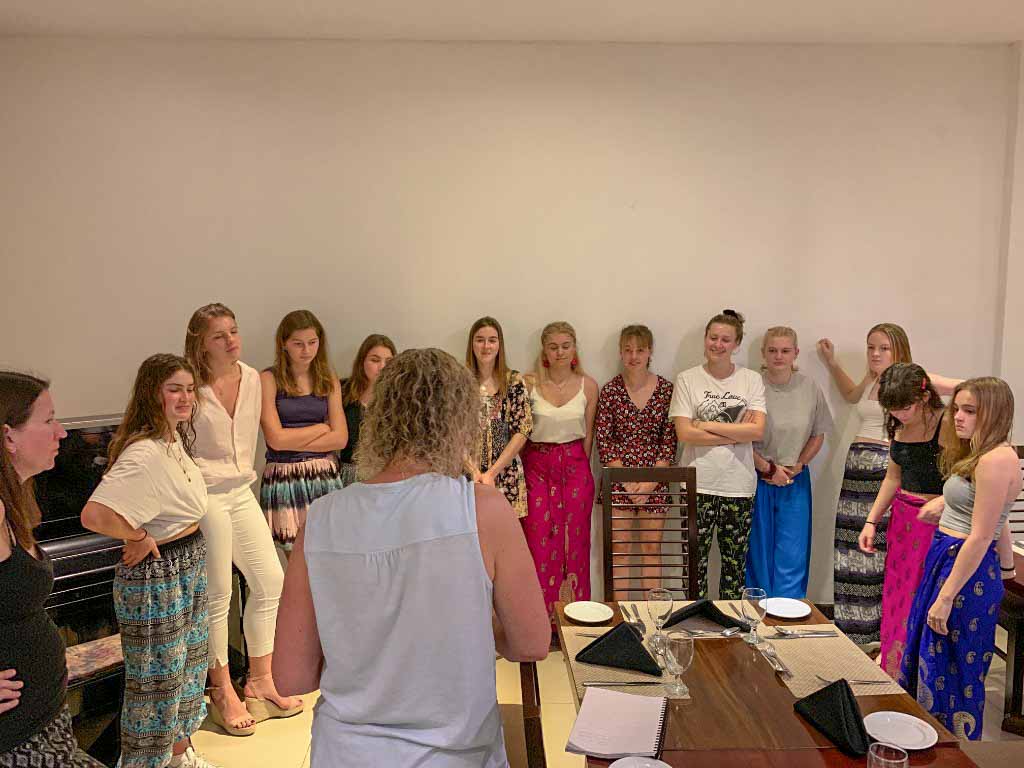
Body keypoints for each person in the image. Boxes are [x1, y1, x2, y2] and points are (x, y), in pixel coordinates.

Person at [272, 348, 549, 767]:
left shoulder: (323, 517)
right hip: (456, 756)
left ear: (378, 419)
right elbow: (531, 642)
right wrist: (475, 623)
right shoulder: (481, 509)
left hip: (345, 754)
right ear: (461, 422)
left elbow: (291, 676)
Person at [80, 355, 217, 768]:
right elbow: (94, 515)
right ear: (152, 393)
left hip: (187, 561)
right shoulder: (143, 452)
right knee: (158, 684)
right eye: (174, 389)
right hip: (158, 575)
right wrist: (139, 536)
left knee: (188, 670)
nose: (185, 397)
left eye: (189, 389)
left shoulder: (172, 440)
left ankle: (178, 756)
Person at [184, 304, 301, 737]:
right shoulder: (189, 387)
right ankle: (220, 689)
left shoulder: (252, 378)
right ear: (201, 343)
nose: (231, 340)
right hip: (204, 494)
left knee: (271, 581)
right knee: (218, 594)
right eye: (219, 335)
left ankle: (260, 679)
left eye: (233, 331)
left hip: (240, 490)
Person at [818, 323, 958, 645]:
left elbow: (970, 390)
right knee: (858, 550)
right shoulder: (876, 383)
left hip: (898, 478)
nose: (875, 353)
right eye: (871, 347)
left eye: (884, 348)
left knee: (890, 560)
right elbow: (851, 395)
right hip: (862, 475)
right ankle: (857, 630)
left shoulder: (916, 387)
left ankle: (888, 637)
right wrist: (832, 363)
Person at [898, 377, 1021, 740]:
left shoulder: (995, 459)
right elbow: (997, 518)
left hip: (964, 570)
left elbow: (982, 534)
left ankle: (950, 752)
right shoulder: (983, 453)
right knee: (931, 658)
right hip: (952, 558)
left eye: (970, 410)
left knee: (949, 668)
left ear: (994, 413)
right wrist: (1007, 566)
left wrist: (946, 596)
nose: (958, 417)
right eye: (957, 409)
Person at [0, 372, 102, 767]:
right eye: (48, 420)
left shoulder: (17, 500)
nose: (61, 432)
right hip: (17, 742)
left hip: (44, 724)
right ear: (8, 437)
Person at [669, 310, 766, 600]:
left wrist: (704, 424)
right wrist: (737, 432)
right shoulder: (687, 379)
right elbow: (684, 433)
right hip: (696, 483)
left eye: (726, 340)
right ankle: (694, 620)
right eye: (713, 338)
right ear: (705, 339)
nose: (718, 344)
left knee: (734, 567)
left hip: (738, 486)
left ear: (736, 344)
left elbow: (757, 431)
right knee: (693, 566)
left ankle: (729, 622)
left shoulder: (751, 380)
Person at [858, 363, 946, 677]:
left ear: (924, 396)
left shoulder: (946, 422)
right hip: (903, 518)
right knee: (897, 590)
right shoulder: (897, 423)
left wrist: (945, 502)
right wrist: (871, 521)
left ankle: (917, 668)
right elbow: (893, 477)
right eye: (892, 410)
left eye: (905, 408)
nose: (899, 415)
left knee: (922, 592)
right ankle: (893, 659)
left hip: (936, 520)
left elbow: (965, 476)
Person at [745, 327, 832, 599]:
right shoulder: (750, 386)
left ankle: (787, 610)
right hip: (757, 477)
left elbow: (818, 433)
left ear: (795, 353)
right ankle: (757, 611)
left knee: (792, 552)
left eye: (785, 351)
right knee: (757, 552)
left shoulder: (809, 388)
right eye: (772, 350)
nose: (778, 356)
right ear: (764, 353)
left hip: (794, 478)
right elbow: (740, 437)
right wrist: (766, 468)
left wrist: (800, 464)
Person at [521, 322, 598, 620]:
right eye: (553, 347)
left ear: (574, 348)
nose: (560, 352)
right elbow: (521, 433)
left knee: (575, 546)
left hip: (575, 468)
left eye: (566, 346)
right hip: (536, 469)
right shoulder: (528, 384)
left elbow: (588, 437)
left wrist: (582, 472)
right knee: (538, 544)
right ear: (544, 351)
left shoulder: (588, 386)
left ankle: (574, 618)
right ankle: (541, 622)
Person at [594, 325, 677, 597]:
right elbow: (604, 440)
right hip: (618, 480)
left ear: (650, 352)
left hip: (656, 479)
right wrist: (628, 484)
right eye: (628, 350)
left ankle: (652, 614)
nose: (633, 356)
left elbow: (669, 440)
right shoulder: (610, 391)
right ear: (620, 352)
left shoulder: (666, 390)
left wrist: (650, 483)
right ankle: (619, 615)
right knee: (619, 551)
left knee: (652, 549)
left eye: (639, 350)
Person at [259, 310, 347, 548]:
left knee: (328, 554)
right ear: (284, 344)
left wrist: (291, 439)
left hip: (324, 475)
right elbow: (275, 440)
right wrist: (321, 428)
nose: (306, 350)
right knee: (296, 556)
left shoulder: (328, 379)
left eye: (312, 342)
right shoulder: (268, 379)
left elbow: (340, 439)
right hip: (283, 476)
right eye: (298, 344)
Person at [466, 317, 532, 517]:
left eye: (492, 340)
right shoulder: (459, 381)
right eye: (480, 340)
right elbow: (450, 431)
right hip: (468, 474)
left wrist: (492, 473)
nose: (486, 346)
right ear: (472, 344)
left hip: (505, 473)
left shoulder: (513, 381)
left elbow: (523, 429)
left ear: (499, 345)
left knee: (504, 532)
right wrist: (474, 471)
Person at [339, 334, 396, 486]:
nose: (382, 367)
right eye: (375, 360)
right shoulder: (343, 391)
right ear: (362, 361)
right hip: (347, 474)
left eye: (388, 361)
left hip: (384, 475)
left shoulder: (397, 398)